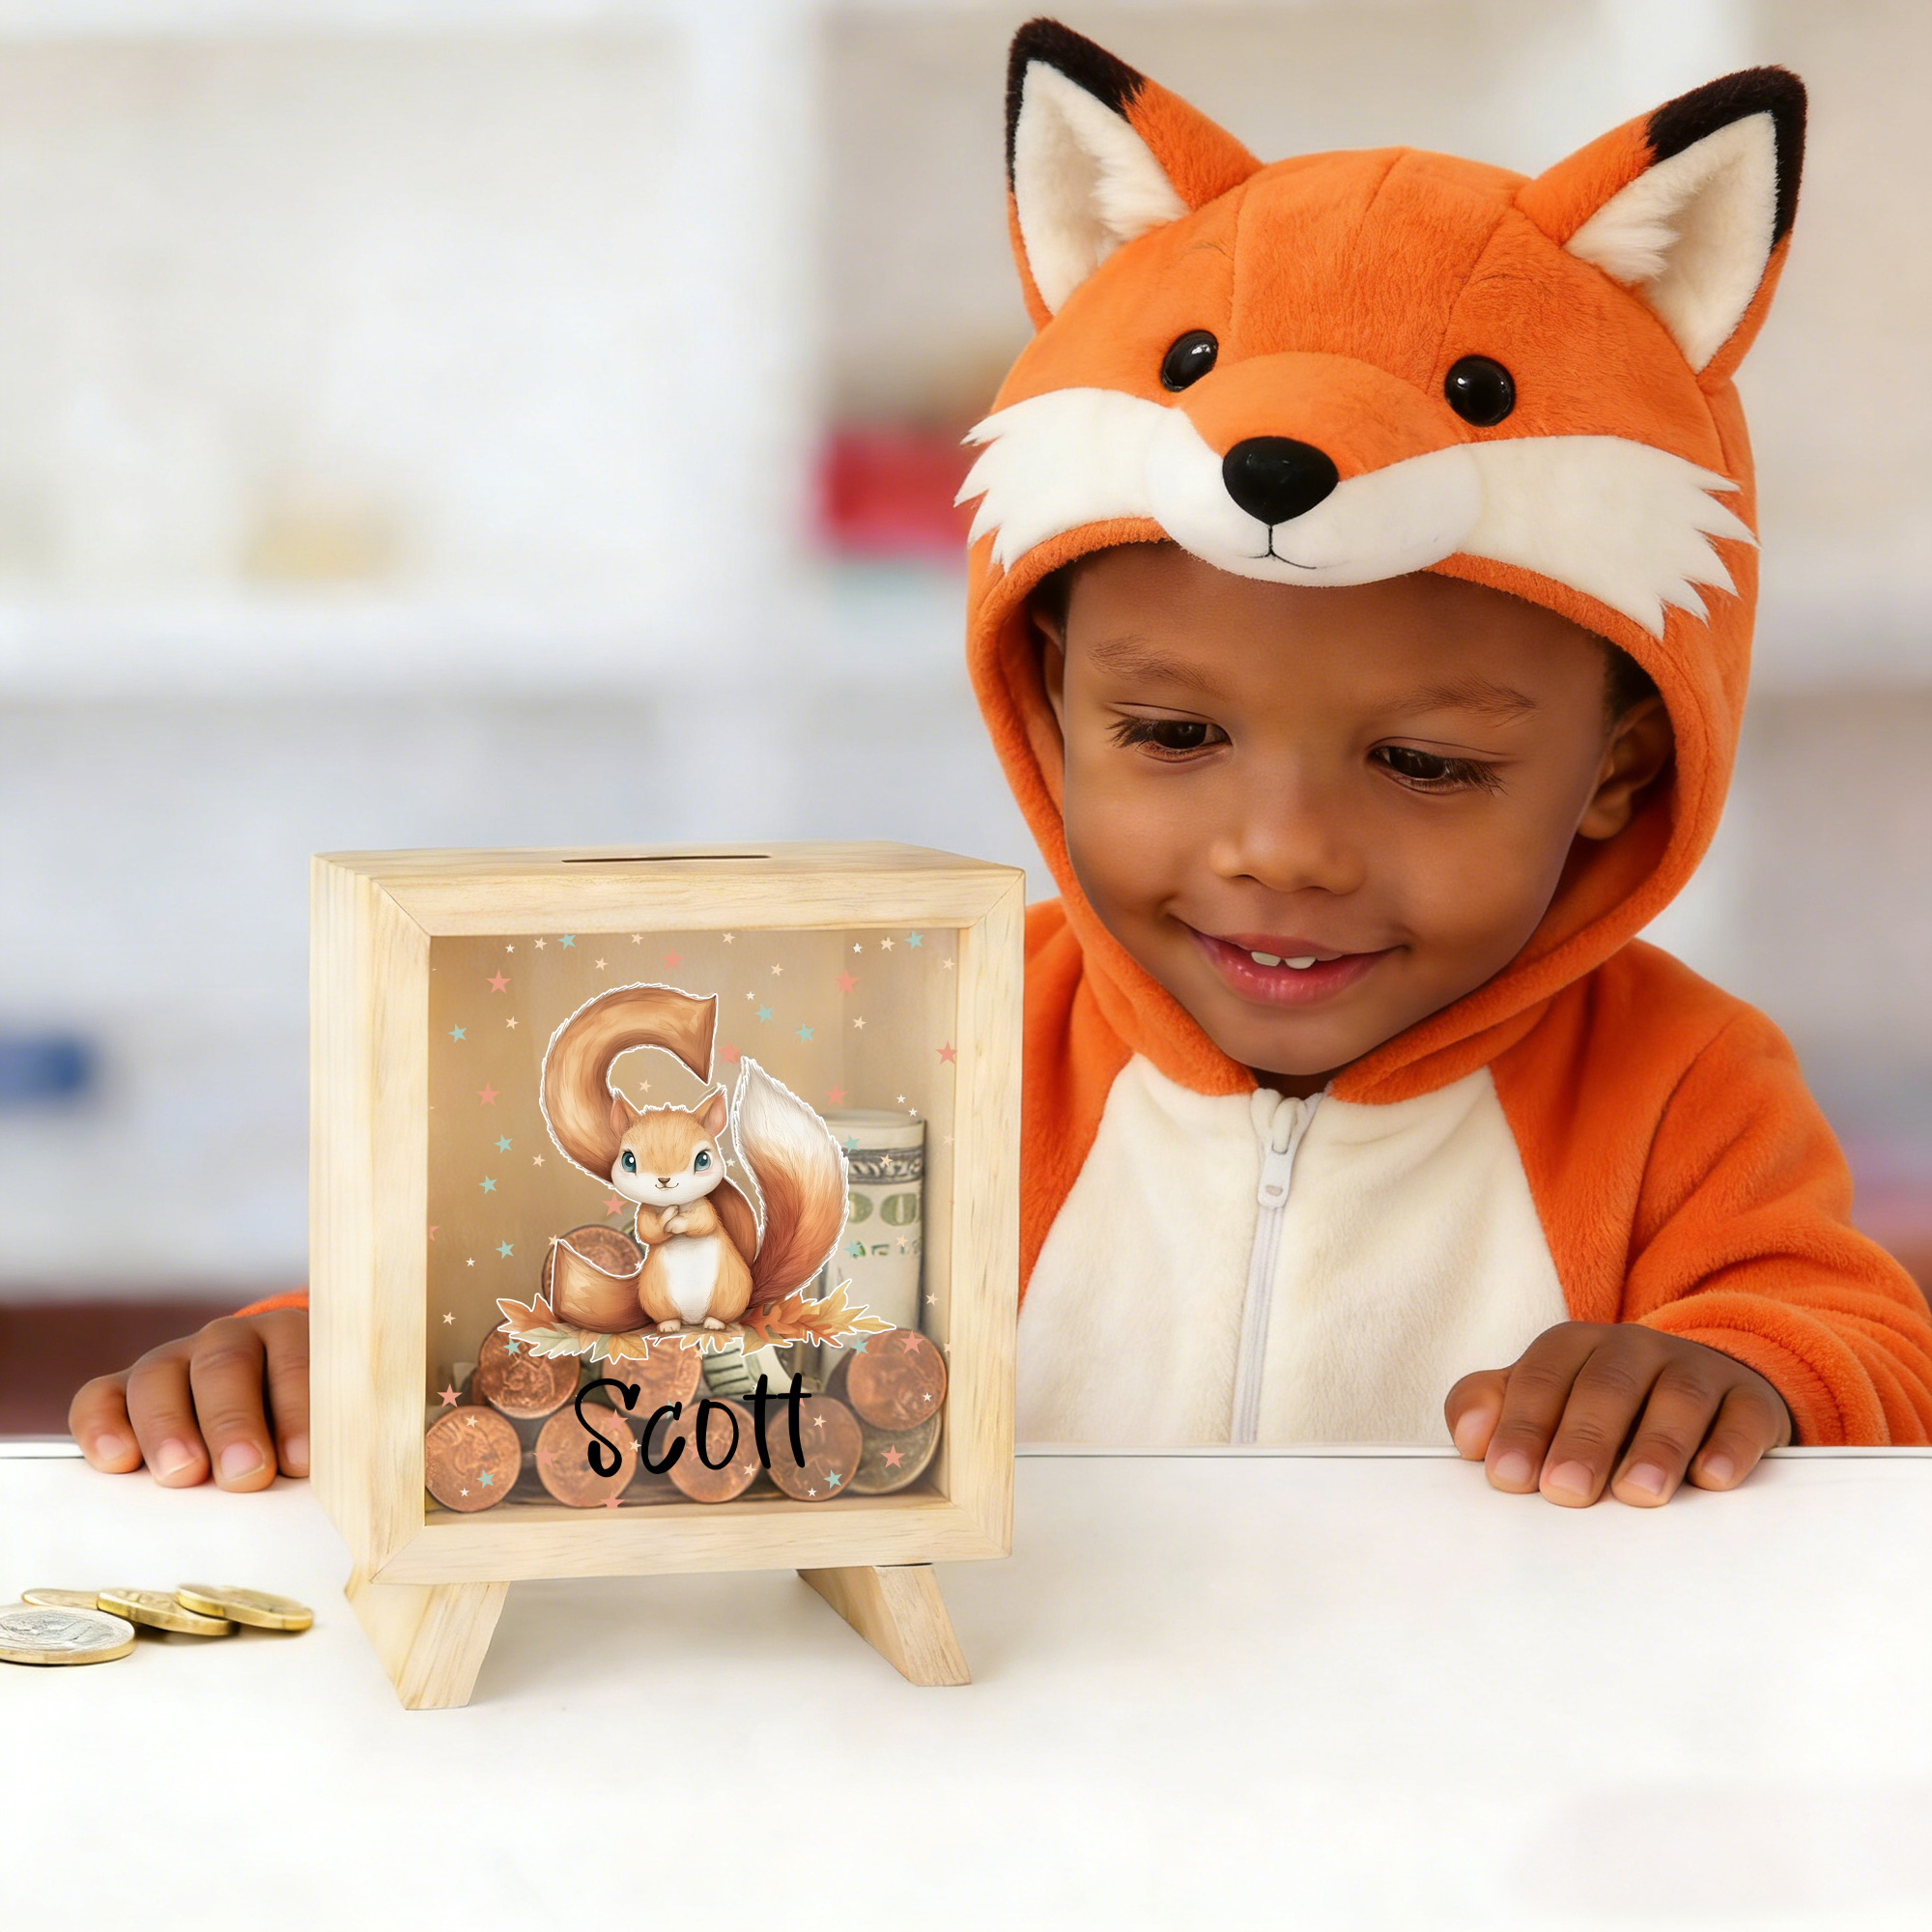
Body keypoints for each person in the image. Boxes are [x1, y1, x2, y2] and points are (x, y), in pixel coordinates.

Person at [68, 19, 1932, 1504]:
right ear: (1047, 706)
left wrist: (1737, 1378)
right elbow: (608, 1279)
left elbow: (1869, 1355)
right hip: (980, 1769)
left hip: (1472, 1785)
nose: (1281, 847)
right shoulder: (924, 1049)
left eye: (1427, 766)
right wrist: (331, 1347)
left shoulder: (1685, 1088)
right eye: (1174, 737)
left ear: (1617, 772)